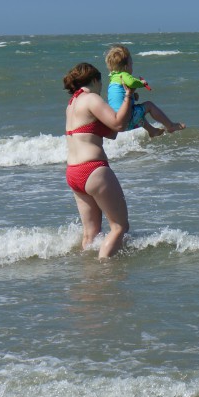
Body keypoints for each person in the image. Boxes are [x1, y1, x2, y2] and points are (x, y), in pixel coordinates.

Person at [63, 62, 135, 259]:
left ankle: (91, 277)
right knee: (119, 227)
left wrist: (127, 105)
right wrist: (128, 95)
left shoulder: (72, 104)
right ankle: (104, 270)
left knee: (90, 234)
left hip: (74, 172)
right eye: (101, 83)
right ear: (95, 80)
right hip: (94, 170)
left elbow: (110, 133)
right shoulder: (92, 98)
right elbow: (119, 124)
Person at [104, 44, 185, 136]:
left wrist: (133, 96)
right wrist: (142, 83)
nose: (132, 67)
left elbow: (119, 99)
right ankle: (170, 126)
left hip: (115, 120)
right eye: (131, 64)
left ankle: (152, 131)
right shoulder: (123, 75)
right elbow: (132, 82)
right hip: (127, 119)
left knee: (138, 110)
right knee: (149, 105)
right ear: (126, 66)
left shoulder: (112, 79)